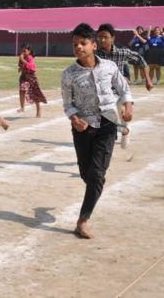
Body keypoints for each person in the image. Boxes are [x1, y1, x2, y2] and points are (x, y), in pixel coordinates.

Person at [62, 23, 133, 239]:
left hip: (107, 125)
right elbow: (68, 104)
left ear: (93, 45)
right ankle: (95, 184)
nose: (79, 47)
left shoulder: (110, 67)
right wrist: (75, 118)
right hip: (83, 129)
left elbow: (124, 89)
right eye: (75, 44)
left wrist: (127, 105)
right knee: (87, 174)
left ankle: (83, 220)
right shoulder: (69, 74)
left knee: (96, 174)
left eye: (83, 43)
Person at [96, 23, 152, 148]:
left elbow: (141, 61)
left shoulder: (122, 53)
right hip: (102, 91)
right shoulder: (95, 55)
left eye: (105, 37)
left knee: (121, 114)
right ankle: (116, 132)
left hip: (120, 90)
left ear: (113, 38)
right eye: (99, 37)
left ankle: (125, 130)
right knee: (104, 116)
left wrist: (148, 80)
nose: (102, 40)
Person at [17, 42, 47, 117]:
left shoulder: (30, 58)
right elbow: (21, 66)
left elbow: (31, 67)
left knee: (35, 94)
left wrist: (23, 60)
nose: (23, 53)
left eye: (24, 51)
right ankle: (22, 107)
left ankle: (38, 110)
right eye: (22, 51)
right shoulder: (22, 57)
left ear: (29, 51)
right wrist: (20, 67)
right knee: (22, 90)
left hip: (31, 78)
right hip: (24, 77)